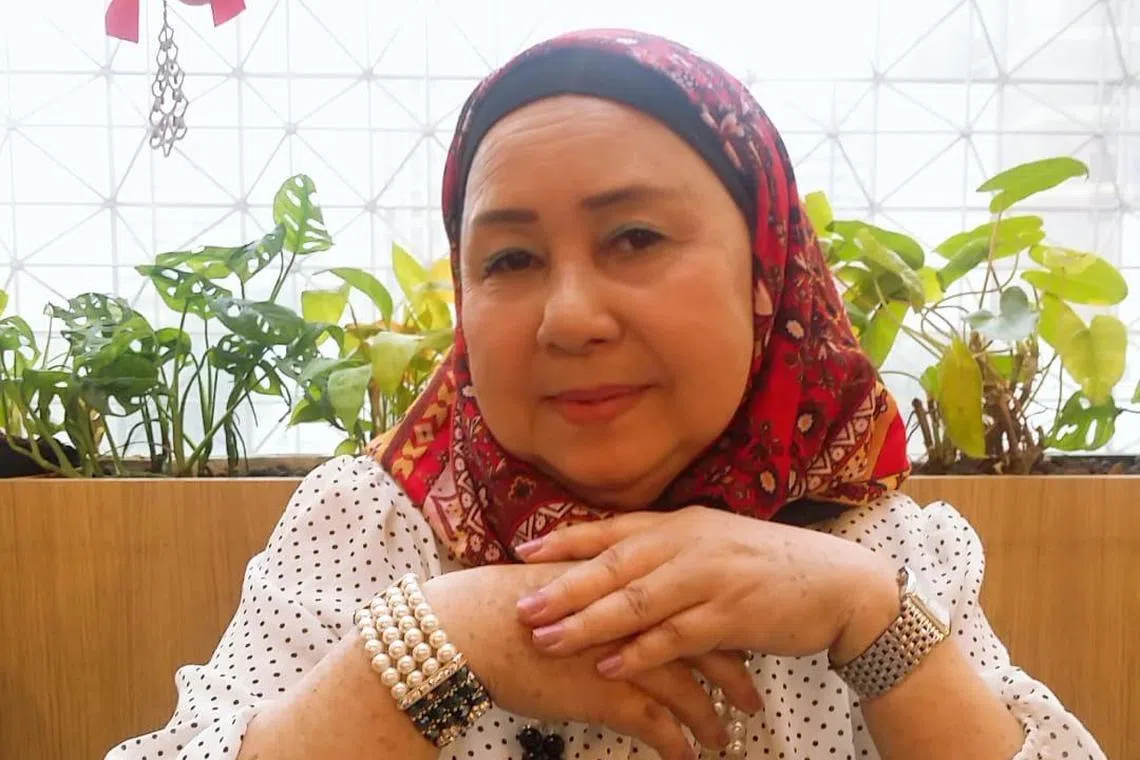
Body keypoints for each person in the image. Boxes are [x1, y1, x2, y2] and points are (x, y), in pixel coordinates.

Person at [107, 29, 1105, 760]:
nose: (570, 317)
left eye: (635, 238)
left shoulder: (880, 549)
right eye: (509, 258)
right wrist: (445, 639)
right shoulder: (374, 528)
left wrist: (869, 619)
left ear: (765, 275)